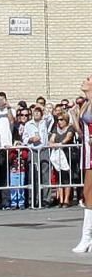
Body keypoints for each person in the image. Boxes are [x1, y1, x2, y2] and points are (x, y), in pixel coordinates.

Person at [71, 75, 92, 252]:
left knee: (89, 193)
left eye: (88, 79)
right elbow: (81, 131)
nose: (84, 80)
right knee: (88, 194)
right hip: (87, 152)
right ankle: (87, 238)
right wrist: (74, 116)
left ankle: (86, 238)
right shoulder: (85, 104)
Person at [23, 105, 50, 208]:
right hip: (33, 150)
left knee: (45, 175)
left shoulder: (45, 122)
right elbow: (24, 138)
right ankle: (33, 200)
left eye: (38, 112)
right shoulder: (28, 124)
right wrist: (31, 139)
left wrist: (41, 107)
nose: (37, 114)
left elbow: (50, 116)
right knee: (33, 176)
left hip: (43, 150)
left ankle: (45, 199)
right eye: (35, 112)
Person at [49, 110, 75, 207]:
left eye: (61, 120)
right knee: (59, 178)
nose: (59, 122)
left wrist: (60, 144)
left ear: (66, 120)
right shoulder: (56, 129)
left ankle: (66, 199)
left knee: (66, 178)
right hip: (58, 155)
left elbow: (68, 138)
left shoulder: (70, 128)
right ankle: (60, 199)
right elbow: (51, 140)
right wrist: (55, 144)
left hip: (67, 155)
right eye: (58, 120)